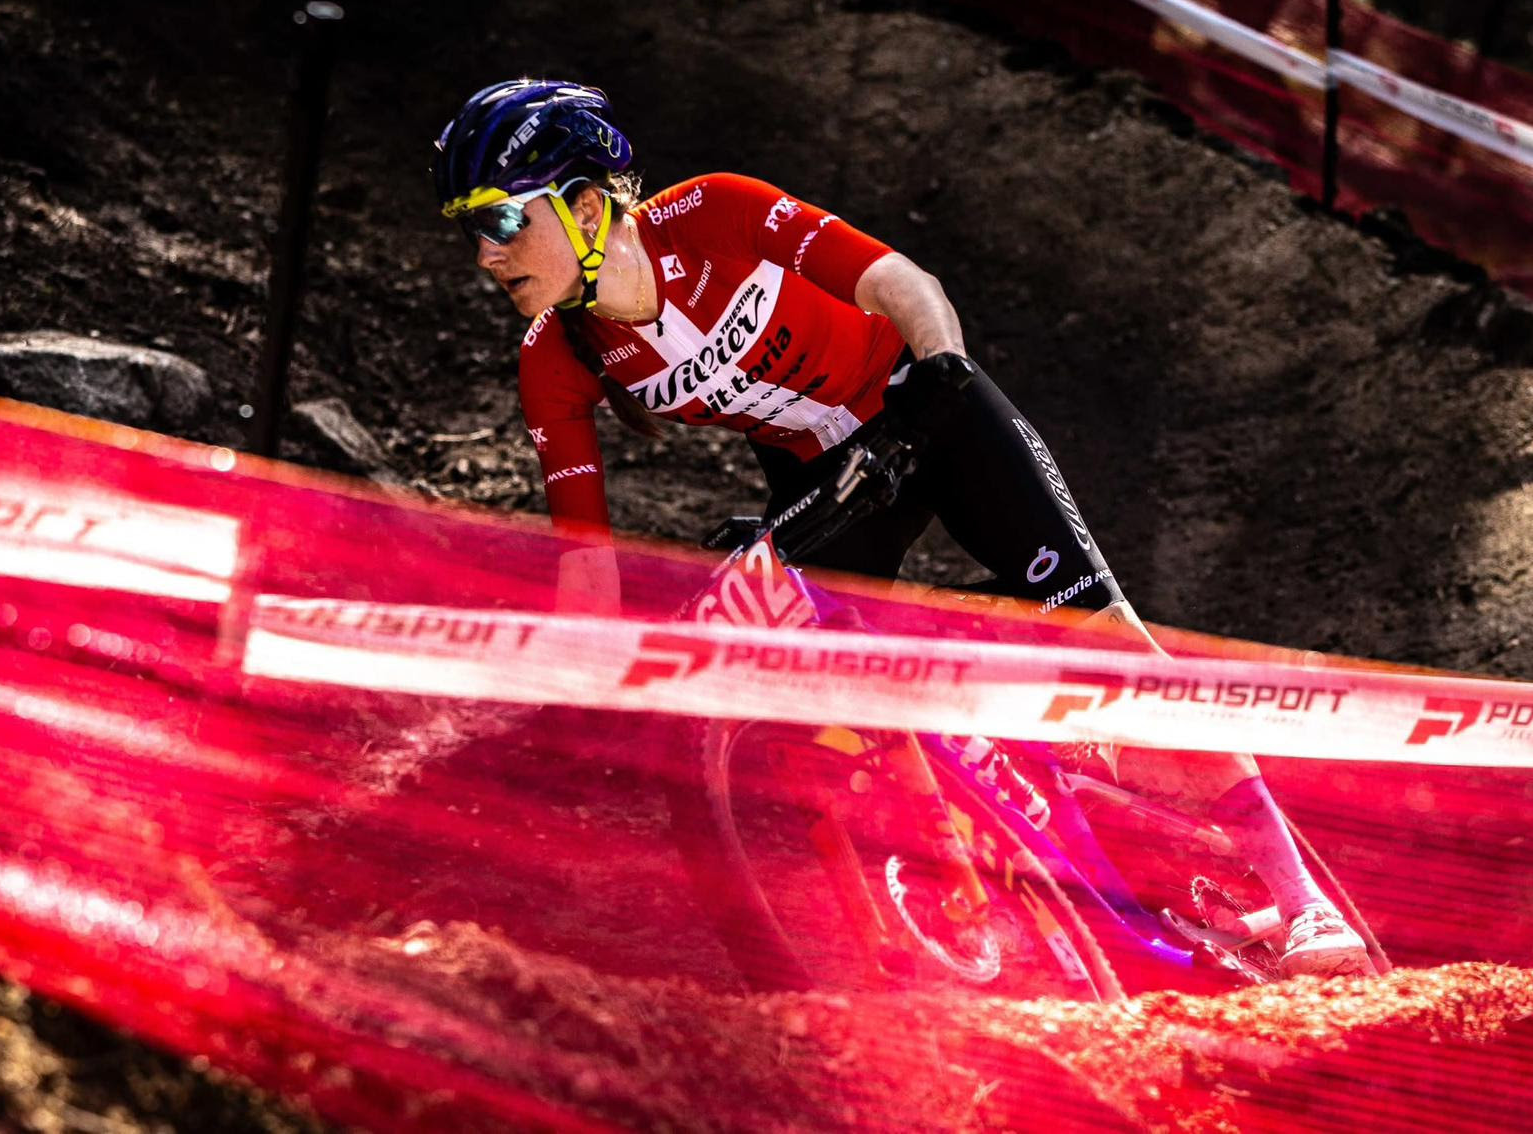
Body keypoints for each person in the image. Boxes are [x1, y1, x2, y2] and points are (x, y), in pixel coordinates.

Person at [430, 78, 1371, 979]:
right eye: (471, 232)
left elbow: (899, 281)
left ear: (587, 206)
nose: (484, 255)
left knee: (1110, 641)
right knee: (834, 676)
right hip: (823, 477)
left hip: (929, 416)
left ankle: (1305, 904)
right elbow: (586, 574)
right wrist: (584, 683)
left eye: (500, 221)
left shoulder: (712, 210)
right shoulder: (553, 360)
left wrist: (942, 368)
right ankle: (984, 827)